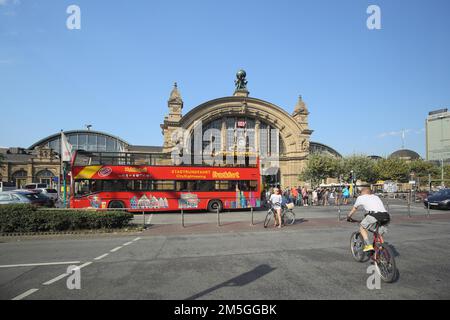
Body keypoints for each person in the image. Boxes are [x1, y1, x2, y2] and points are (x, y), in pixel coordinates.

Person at [347, 188, 390, 252]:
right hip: (386, 216)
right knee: (378, 234)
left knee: (362, 227)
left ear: (363, 193)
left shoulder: (361, 197)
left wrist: (348, 216)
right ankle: (381, 250)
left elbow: (354, 209)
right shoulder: (376, 197)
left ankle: (368, 245)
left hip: (374, 215)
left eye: (360, 193)